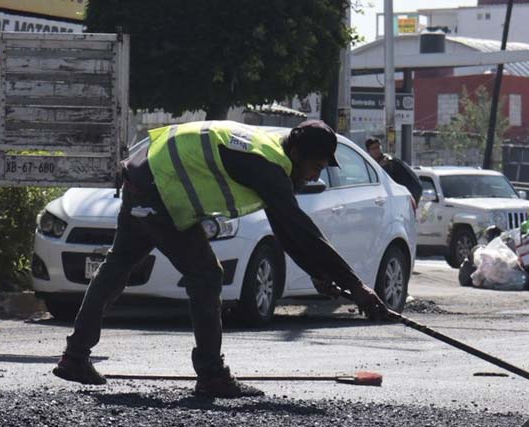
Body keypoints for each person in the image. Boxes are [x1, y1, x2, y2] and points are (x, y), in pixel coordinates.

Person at [52, 120, 391, 398]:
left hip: (144, 177)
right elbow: (301, 229)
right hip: (161, 189)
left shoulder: (269, 153)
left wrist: (319, 273)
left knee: (118, 265)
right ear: (298, 152)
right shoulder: (268, 166)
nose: (315, 176)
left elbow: (287, 231)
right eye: (315, 166)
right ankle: (212, 374)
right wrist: (357, 287)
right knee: (207, 276)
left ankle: (75, 357)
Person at [365, 137, 423, 203]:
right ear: (368, 151)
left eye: (378, 147)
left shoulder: (387, 162)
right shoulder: (377, 162)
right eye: (373, 149)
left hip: (410, 191)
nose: (376, 151)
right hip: (406, 192)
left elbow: (386, 184)